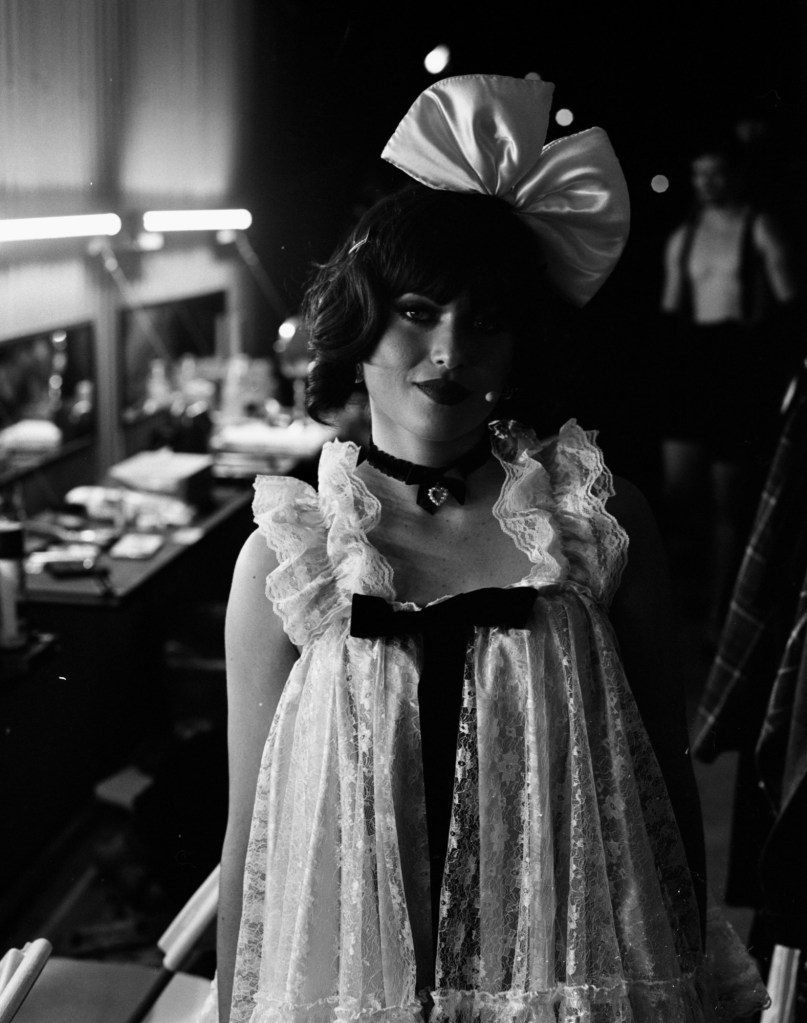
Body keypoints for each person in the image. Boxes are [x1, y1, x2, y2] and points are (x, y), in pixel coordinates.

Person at [202, 76, 767, 1023]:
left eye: (487, 319)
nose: (451, 347)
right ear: (361, 321)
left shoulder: (591, 523)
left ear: (518, 346)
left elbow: (665, 793)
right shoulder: (290, 557)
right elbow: (251, 832)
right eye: (418, 309)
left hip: (566, 977)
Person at [659, 140, 800, 638]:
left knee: (730, 504)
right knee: (680, 496)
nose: (707, 184)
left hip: (741, 367)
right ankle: (683, 604)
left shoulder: (759, 226)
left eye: (716, 173)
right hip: (694, 365)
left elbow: (789, 304)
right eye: (699, 174)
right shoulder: (685, 235)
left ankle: (722, 621)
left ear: (736, 175)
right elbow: (672, 313)